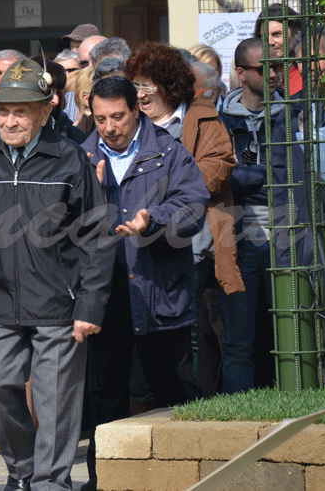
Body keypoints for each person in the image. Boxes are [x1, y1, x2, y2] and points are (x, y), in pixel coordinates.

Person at [0, 58, 113, 491]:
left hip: (59, 303)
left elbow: (97, 236)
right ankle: (21, 470)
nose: (9, 120)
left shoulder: (69, 159)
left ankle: (51, 481)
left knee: (55, 399)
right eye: (3, 111)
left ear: (45, 111)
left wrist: (90, 304)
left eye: (21, 111)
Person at [80, 75, 209, 489]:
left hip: (159, 289)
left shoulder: (168, 151)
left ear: (137, 109)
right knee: (105, 396)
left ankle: (186, 476)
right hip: (105, 293)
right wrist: (92, 197)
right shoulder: (82, 157)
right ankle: (105, 480)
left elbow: (193, 205)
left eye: (118, 116)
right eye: (100, 119)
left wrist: (153, 219)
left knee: (172, 388)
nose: (109, 127)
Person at [126, 42, 244, 399]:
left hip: (191, 239)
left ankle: (192, 399)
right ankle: (157, 398)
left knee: (190, 327)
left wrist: (164, 194)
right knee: (148, 325)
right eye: (136, 85)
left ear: (169, 84)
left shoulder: (203, 118)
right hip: (140, 243)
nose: (141, 94)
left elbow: (218, 166)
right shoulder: (129, 124)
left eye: (148, 85)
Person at [219, 37, 286, 393]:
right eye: (265, 68)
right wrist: (265, 176)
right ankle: (238, 419)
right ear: (242, 73)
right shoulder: (220, 120)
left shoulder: (293, 115)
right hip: (238, 241)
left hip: (290, 238)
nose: (274, 74)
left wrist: (249, 179)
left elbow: (295, 178)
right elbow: (222, 177)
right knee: (238, 343)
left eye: (277, 67)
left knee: (289, 336)